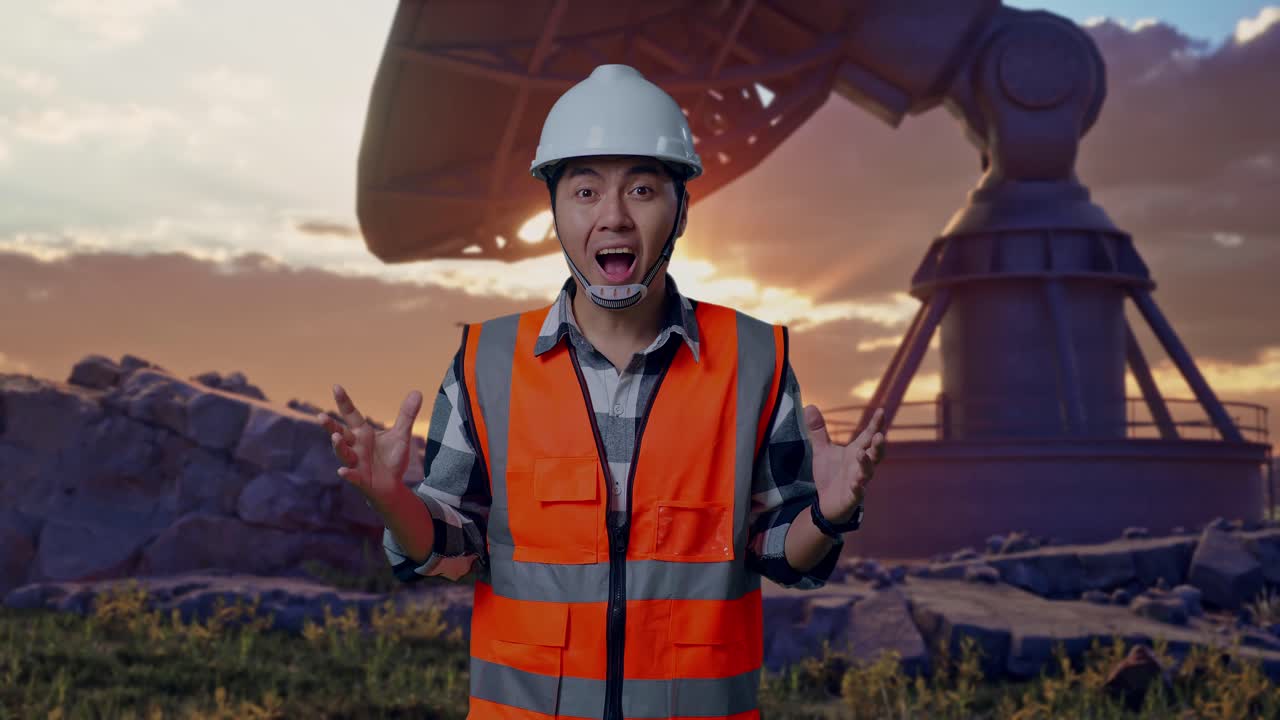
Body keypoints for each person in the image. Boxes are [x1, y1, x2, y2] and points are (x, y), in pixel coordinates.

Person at [321, 63, 886, 720]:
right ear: (554, 212)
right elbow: (453, 554)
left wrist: (829, 515)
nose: (614, 217)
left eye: (642, 190)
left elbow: (780, 553)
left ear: (681, 208)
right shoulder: (487, 363)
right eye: (585, 192)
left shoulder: (753, 358)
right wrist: (395, 502)